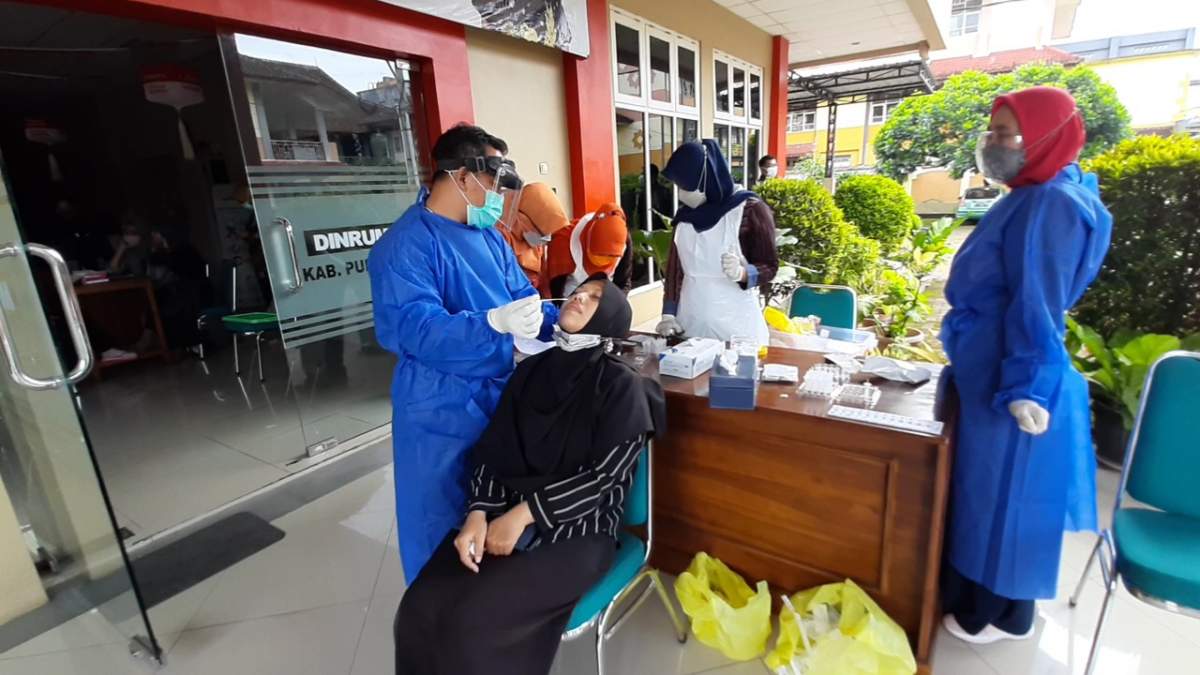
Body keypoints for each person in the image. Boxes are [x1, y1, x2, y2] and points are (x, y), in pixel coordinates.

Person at [393, 275, 665, 675]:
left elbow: (604, 480)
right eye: (577, 293)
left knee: (471, 624)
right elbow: (492, 450)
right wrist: (477, 514)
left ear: (610, 319)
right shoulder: (531, 372)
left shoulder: (622, 386)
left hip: (579, 531)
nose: (577, 299)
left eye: (592, 299)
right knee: (418, 608)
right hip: (501, 515)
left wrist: (524, 514)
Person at [938, 86, 1112, 644]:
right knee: (988, 494)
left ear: (1044, 137)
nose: (993, 144)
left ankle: (990, 614)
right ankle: (1002, 609)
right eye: (991, 133)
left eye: (1006, 134)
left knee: (1004, 499)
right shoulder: (1031, 192)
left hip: (1013, 376)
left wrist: (1026, 386)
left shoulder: (1051, 204)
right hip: (992, 364)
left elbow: (1038, 301)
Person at [368, 123, 557, 582]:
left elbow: (522, 297)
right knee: (442, 519)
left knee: (497, 509)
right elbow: (414, 329)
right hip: (441, 409)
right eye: (494, 183)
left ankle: (494, 607)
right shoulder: (405, 246)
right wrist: (491, 324)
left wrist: (570, 321)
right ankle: (437, 620)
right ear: (464, 176)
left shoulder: (489, 235)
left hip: (500, 395)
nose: (497, 196)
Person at [655, 140, 779, 345]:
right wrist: (668, 314)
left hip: (736, 327)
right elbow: (674, 272)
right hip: (690, 322)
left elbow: (770, 265)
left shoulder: (749, 209)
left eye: (686, 185)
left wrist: (743, 273)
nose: (681, 192)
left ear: (705, 179)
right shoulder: (684, 217)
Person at [540, 202, 632, 299]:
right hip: (570, 297)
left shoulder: (624, 242)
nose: (602, 261)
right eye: (598, 256)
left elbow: (623, 282)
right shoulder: (562, 242)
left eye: (609, 257)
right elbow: (556, 291)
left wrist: (612, 306)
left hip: (604, 296)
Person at [496, 182, 570, 289]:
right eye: (538, 231)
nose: (544, 240)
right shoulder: (498, 236)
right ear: (521, 215)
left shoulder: (533, 239)